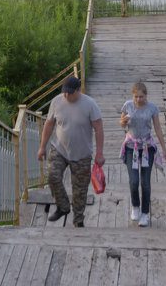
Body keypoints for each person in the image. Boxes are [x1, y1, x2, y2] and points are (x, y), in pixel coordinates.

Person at [36, 75, 104, 228]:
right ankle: (63, 207)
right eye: (64, 92)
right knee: (52, 175)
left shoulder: (90, 105)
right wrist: (42, 147)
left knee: (79, 190)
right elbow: (49, 125)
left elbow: (99, 129)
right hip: (59, 149)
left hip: (82, 154)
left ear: (78, 90)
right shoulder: (57, 101)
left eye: (70, 93)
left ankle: (78, 220)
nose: (66, 95)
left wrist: (99, 153)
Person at [120, 81, 166, 227]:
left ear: (146, 95)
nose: (138, 100)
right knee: (134, 181)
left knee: (145, 183)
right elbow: (122, 124)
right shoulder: (127, 105)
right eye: (136, 97)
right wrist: (123, 122)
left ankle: (145, 213)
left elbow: (158, 128)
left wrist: (164, 149)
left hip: (147, 147)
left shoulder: (152, 108)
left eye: (141, 97)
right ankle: (135, 205)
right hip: (131, 146)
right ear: (132, 96)